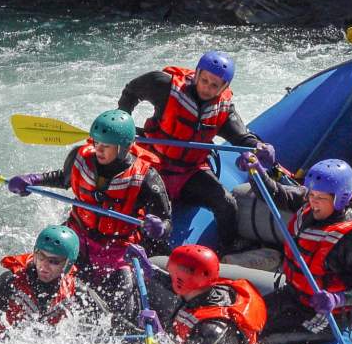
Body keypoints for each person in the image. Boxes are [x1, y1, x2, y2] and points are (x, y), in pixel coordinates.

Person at [6, 109, 172, 324]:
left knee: (124, 305)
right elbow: (64, 179)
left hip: (117, 247)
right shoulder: (80, 157)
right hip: (76, 238)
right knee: (40, 276)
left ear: (123, 148)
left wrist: (158, 228)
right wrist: (33, 179)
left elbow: (167, 222)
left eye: (106, 146)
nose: (98, 150)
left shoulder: (147, 178)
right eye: (96, 143)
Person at [117, 50, 274, 255]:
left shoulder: (223, 108)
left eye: (214, 85)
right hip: (154, 166)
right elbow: (131, 91)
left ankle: (229, 246)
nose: (207, 88)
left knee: (226, 203)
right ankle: (140, 251)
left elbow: (241, 138)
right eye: (204, 80)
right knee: (134, 206)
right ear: (197, 73)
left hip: (189, 172)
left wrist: (258, 147)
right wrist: (123, 121)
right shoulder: (165, 86)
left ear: (224, 87)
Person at [239, 155, 352, 344]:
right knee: (246, 321)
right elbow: (277, 194)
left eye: (320, 198)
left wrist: (337, 299)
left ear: (339, 200)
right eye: (311, 195)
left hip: (327, 315)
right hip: (294, 294)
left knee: (263, 339)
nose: (313, 201)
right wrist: (257, 173)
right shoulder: (309, 202)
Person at [127, 243, 267, 344]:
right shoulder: (201, 289)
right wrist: (150, 270)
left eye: (172, 272)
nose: (170, 275)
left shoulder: (215, 328)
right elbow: (178, 283)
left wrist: (161, 339)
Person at [0, 224, 93, 339]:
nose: (44, 266)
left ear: (68, 265)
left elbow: (98, 329)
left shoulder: (77, 291)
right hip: (1, 342)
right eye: (41, 256)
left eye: (54, 261)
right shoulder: (10, 282)